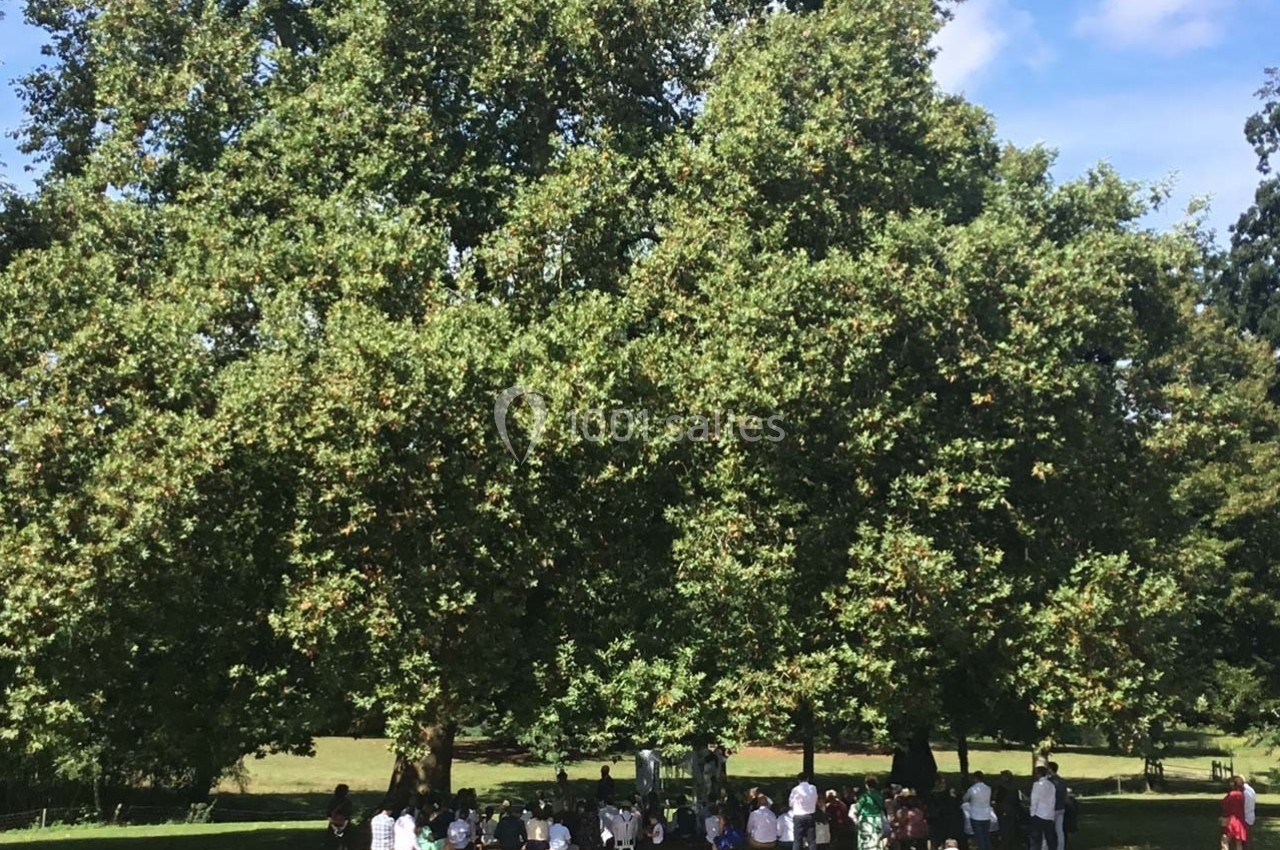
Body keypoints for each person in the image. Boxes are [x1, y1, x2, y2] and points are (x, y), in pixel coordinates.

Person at [963, 772, 993, 850]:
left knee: (980, 838)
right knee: (986, 837)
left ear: (976, 778)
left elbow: (965, 798)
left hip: (976, 816)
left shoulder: (972, 789)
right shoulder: (988, 788)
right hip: (986, 815)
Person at [1029, 766, 1057, 850]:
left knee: (1036, 839)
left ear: (1039, 774)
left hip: (1039, 814)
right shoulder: (1051, 785)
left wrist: (1032, 813)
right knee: (1050, 838)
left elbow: (1034, 800)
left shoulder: (1037, 785)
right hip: (1049, 814)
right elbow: (1053, 800)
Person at [790, 773, 819, 850]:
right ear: (808, 779)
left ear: (798, 780)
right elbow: (816, 800)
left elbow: (791, 803)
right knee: (811, 840)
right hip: (810, 815)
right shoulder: (813, 788)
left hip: (798, 815)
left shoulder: (795, 790)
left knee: (797, 840)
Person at [854, 777, 885, 850]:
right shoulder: (880, 795)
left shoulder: (864, 796)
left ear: (866, 785)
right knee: (876, 838)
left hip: (866, 819)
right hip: (877, 818)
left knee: (865, 839)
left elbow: (857, 808)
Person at [1222, 776, 1249, 850]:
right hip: (1240, 820)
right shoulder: (1242, 795)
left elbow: (1224, 804)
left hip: (1230, 820)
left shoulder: (1231, 794)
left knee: (1225, 840)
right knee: (1238, 843)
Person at [326, 784, 354, 849]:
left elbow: (328, 815)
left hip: (333, 824)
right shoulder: (348, 802)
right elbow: (347, 816)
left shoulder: (332, 801)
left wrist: (334, 827)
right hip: (345, 826)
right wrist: (342, 828)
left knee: (332, 844)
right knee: (345, 844)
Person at [1045, 763, 1067, 850]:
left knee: (1046, 830)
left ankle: (1045, 847)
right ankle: (1060, 847)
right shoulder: (1062, 781)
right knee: (1059, 831)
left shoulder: (1050, 782)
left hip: (1052, 809)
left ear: (1050, 769)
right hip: (1061, 808)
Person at [1242, 776, 1257, 841]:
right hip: (1251, 816)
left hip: (1245, 817)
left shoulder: (1244, 792)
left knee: (1245, 838)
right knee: (1249, 838)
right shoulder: (1251, 790)